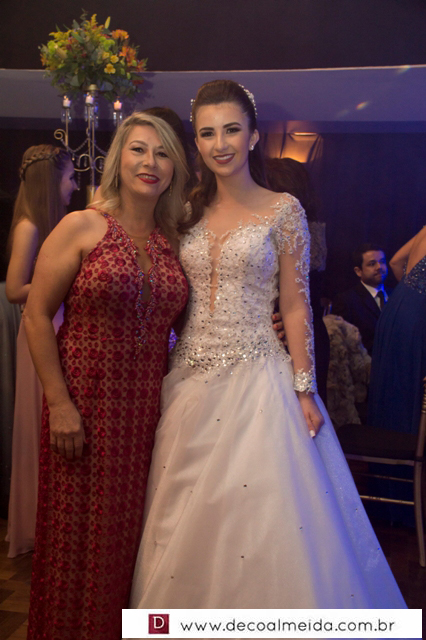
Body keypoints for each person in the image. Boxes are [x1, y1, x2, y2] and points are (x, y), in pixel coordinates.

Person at [129, 80, 405, 610]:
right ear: (196, 141)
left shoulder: (283, 210)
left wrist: (304, 388)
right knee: (184, 515)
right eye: (207, 133)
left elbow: (296, 304)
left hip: (260, 380)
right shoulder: (182, 209)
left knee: (263, 518)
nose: (220, 144)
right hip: (187, 382)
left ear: (254, 136)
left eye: (231, 130)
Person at [24, 113, 189, 639]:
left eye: (162, 153)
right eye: (139, 149)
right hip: (83, 410)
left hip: (147, 419)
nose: (150, 162)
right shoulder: (83, 225)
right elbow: (36, 316)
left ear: (174, 167)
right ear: (118, 158)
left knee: (128, 544)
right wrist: (60, 404)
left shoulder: (172, 239)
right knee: (75, 544)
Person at [5, 144, 76, 557]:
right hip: (40, 328)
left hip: (56, 323)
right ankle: (39, 525)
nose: (74, 186)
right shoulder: (29, 226)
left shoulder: (54, 225)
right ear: (51, 181)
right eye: (69, 178)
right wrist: (64, 277)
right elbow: (15, 289)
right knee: (42, 424)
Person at [265, 156, 329, 404]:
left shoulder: (298, 230)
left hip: (295, 335)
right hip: (307, 332)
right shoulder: (315, 226)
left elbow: (297, 295)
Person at [368, 226, 426, 433]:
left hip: (397, 307)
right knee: (409, 385)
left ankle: (387, 444)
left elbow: (395, 262)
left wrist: (412, 296)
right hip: (418, 316)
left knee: (394, 382)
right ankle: (408, 446)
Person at [332, 243, 389, 355]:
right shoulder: (346, 300)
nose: (379, 267)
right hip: (366, 362)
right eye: (372, 264)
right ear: (358, 271)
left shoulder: (395, 295)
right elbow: (341, 344)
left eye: (382, 262)